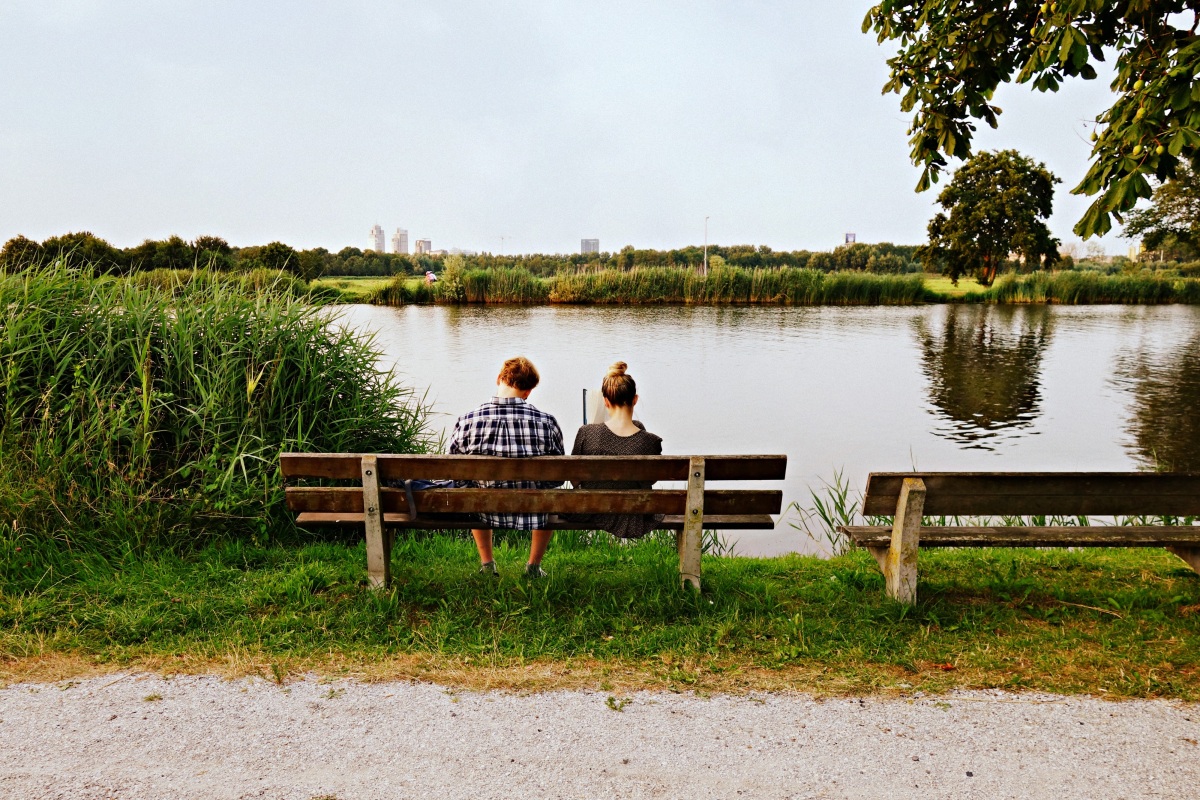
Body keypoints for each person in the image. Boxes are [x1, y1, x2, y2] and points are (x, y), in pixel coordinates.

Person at [449, 356, 564, 578]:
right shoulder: (546, 422)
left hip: (482, 508)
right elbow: (556, 477)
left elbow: (457, 476)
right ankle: (533, 568)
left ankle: (487, 565)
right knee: (550, 495)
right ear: (528, 392)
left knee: (473, 490)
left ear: (499, 379)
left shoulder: (467, 421)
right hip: (534, 510)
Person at [570, 361, 664, 539]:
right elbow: (650, 480)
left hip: (594, 509)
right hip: (635, 514)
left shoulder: (586, 433)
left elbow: (575, 478)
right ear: (635, 399)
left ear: (605, 402)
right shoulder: (650, 441)